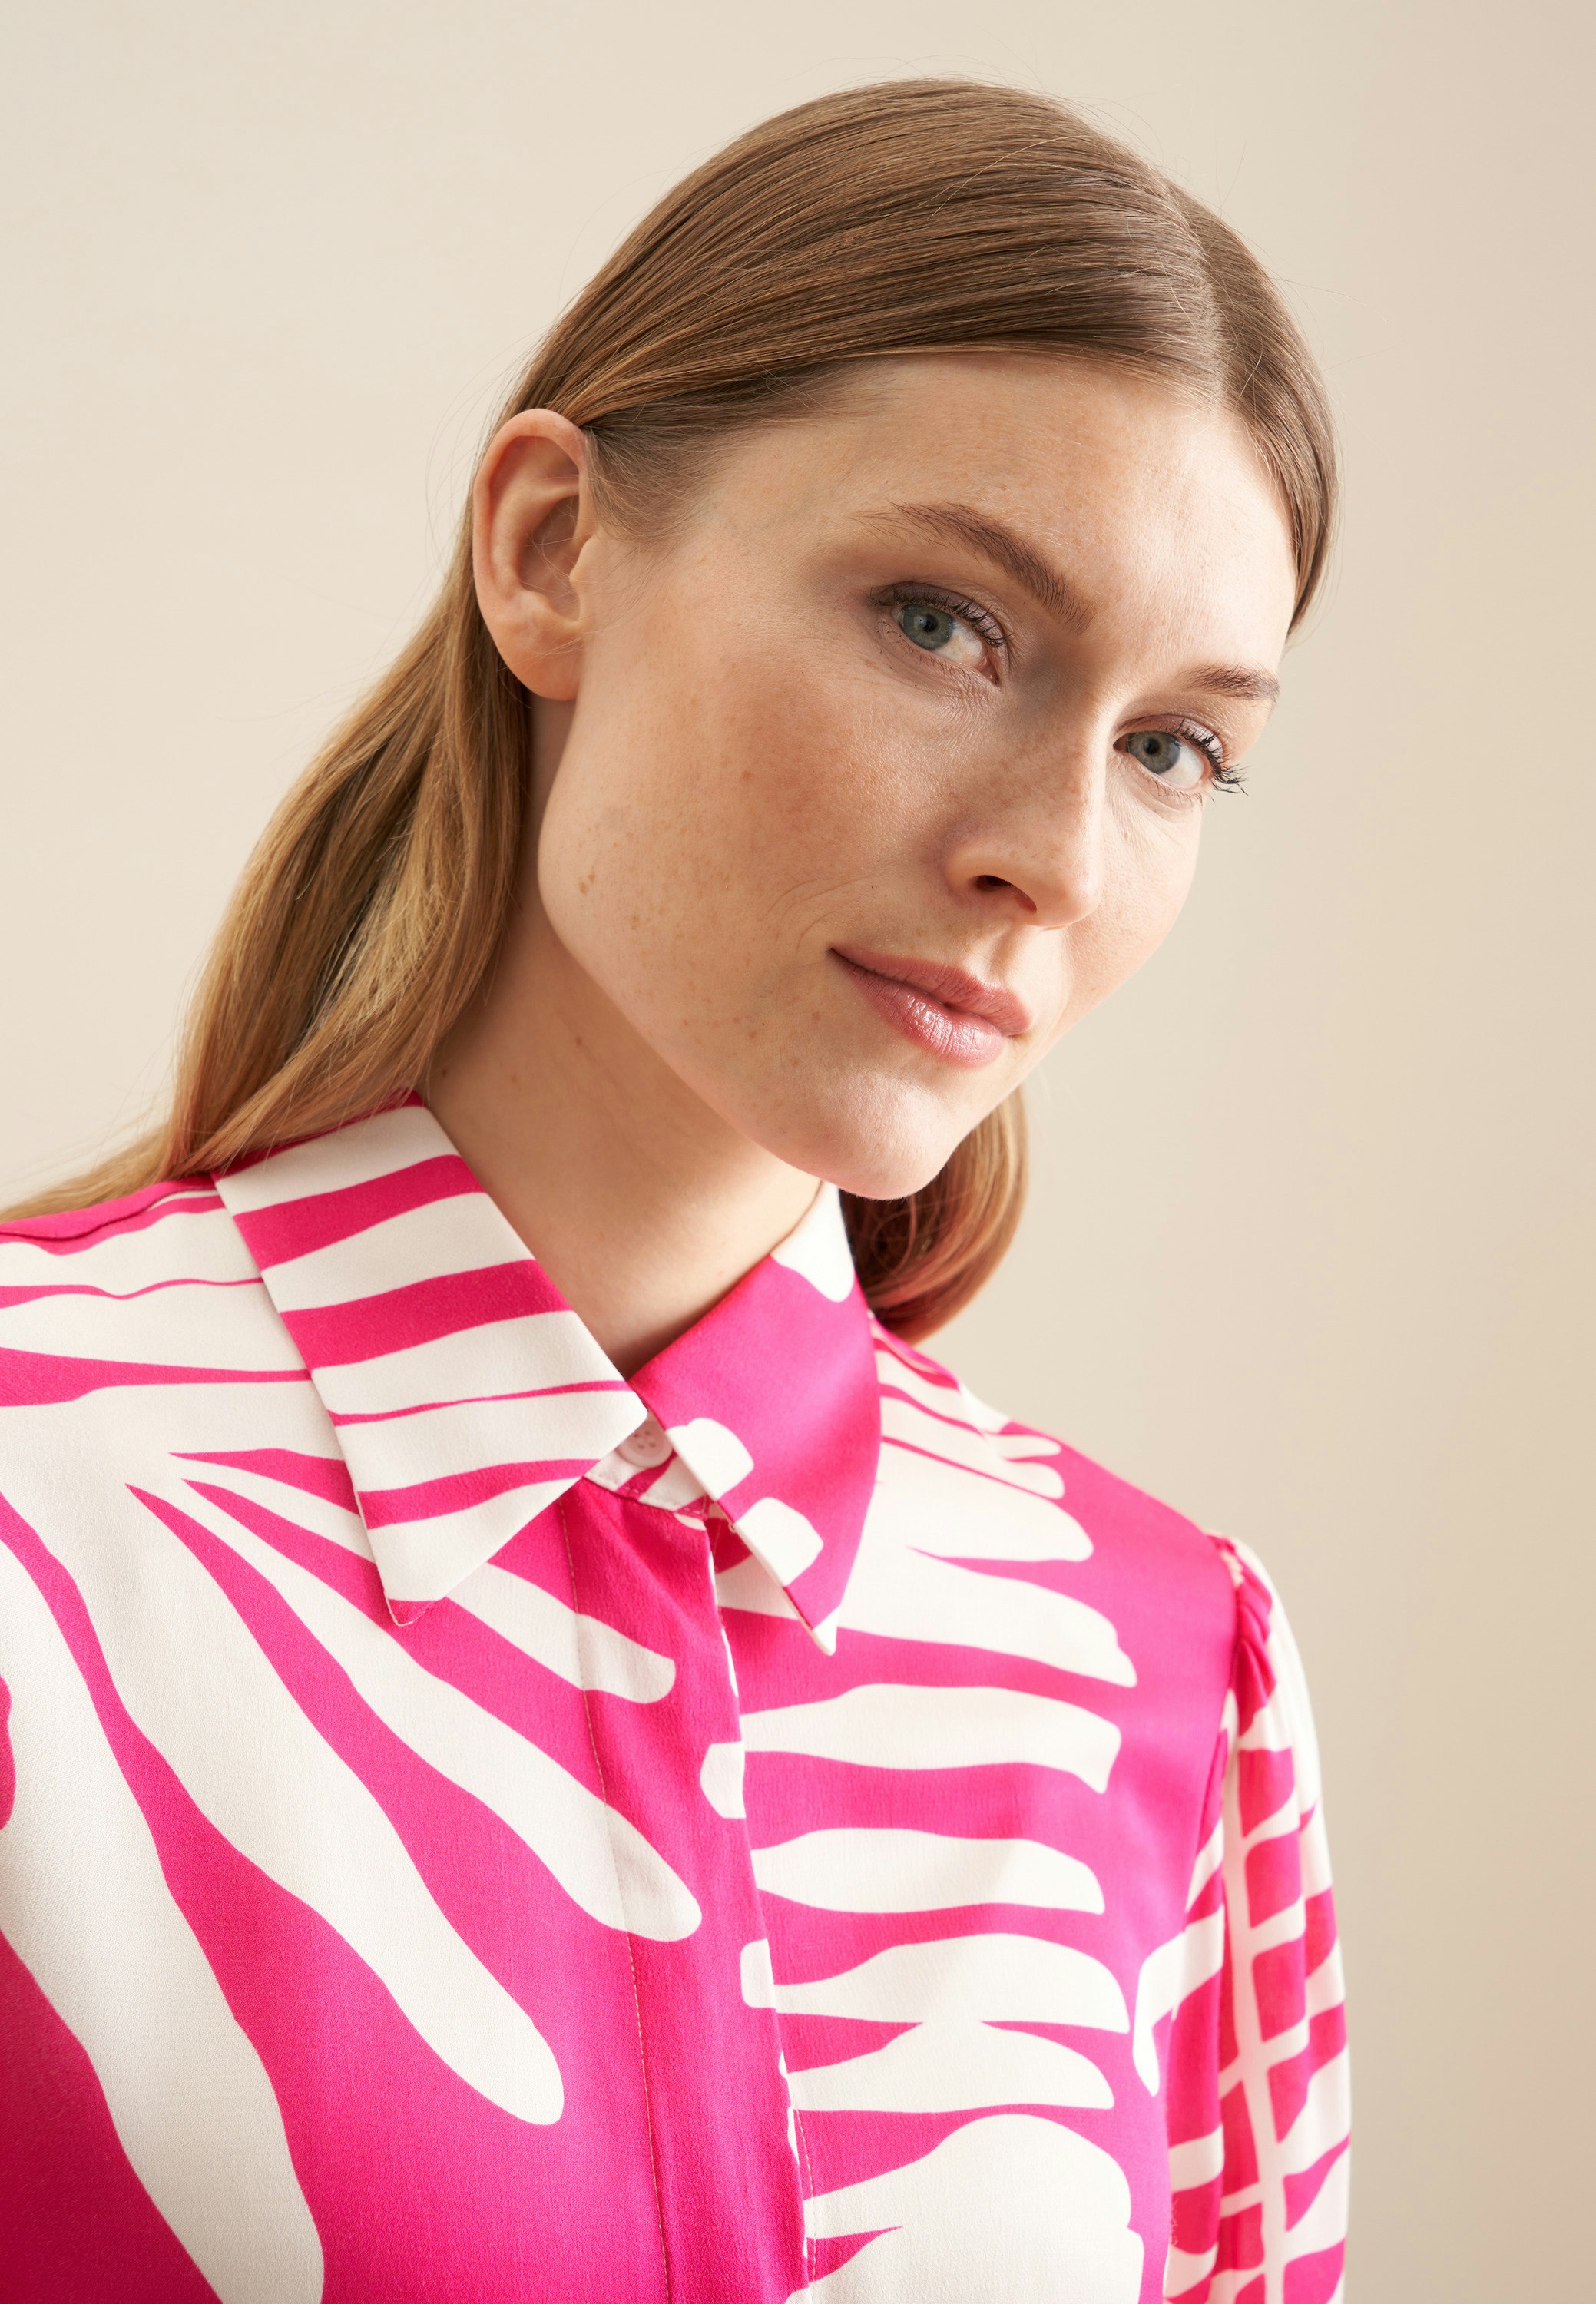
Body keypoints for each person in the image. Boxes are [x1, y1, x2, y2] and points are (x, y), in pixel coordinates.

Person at [0, 78, 1349, 2304]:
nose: (1054, 856)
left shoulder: (1161, 1659)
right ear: (551, 548)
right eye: (943, 622)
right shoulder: (37, 1503)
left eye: (1171, 747)